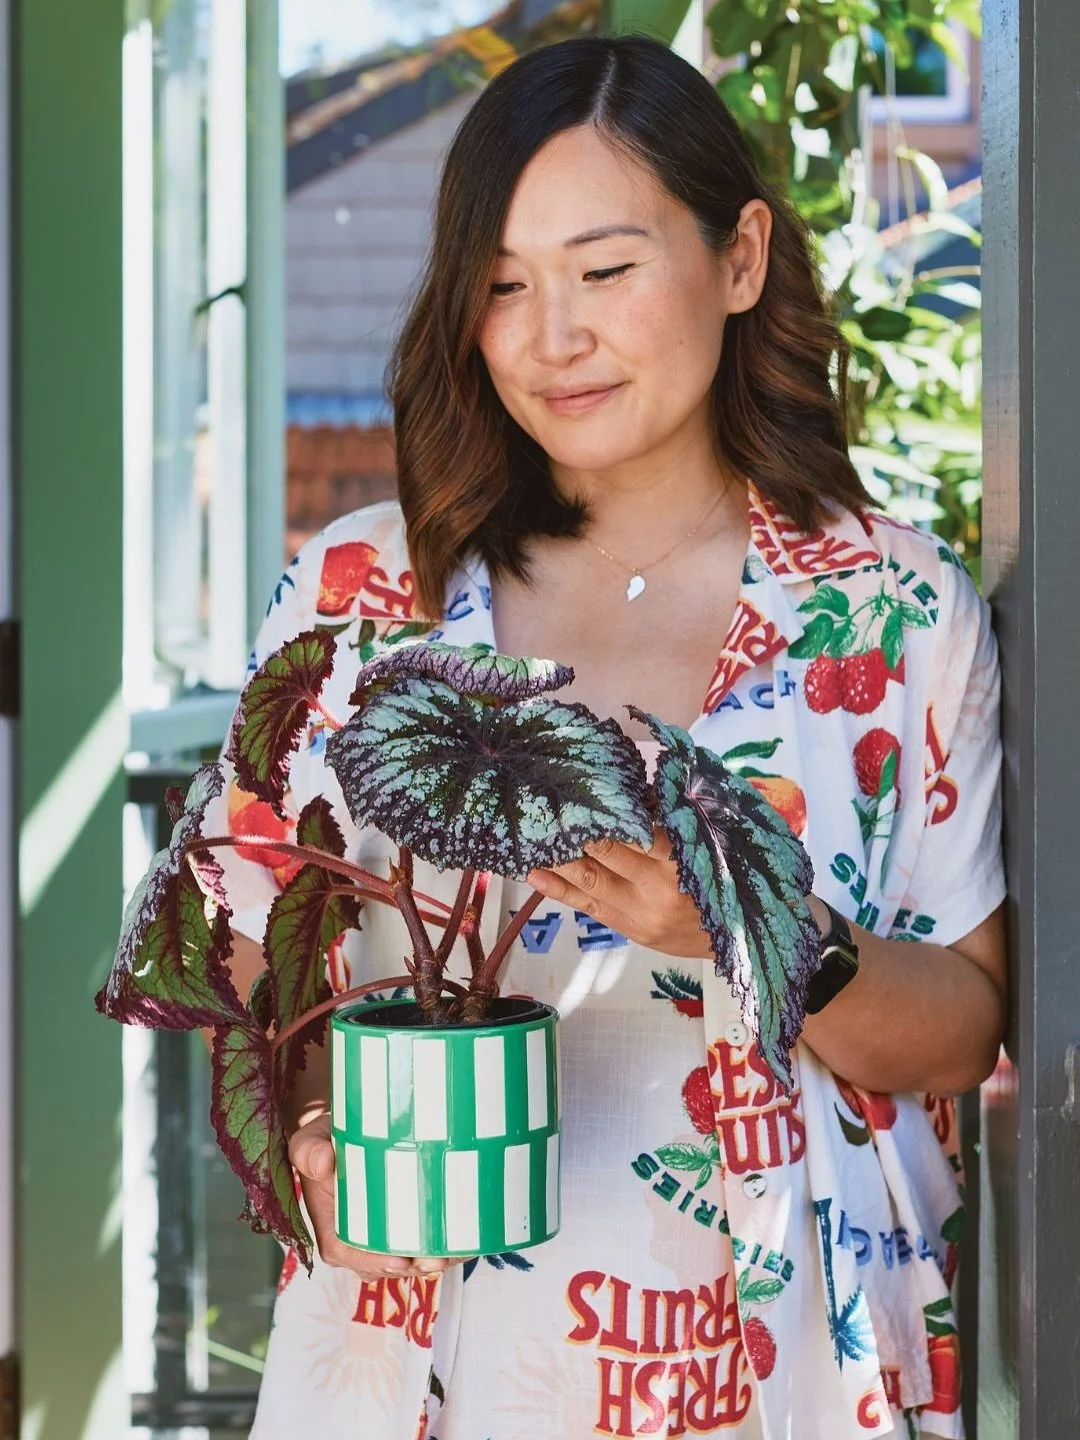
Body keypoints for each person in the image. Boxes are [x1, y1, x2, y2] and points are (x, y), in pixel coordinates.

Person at [209, 33, 1006, 1440]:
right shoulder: (358, 598)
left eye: (606, 269)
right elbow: (243, 940)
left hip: (788, 1377)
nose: (551, 336)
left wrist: (749, 926)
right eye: (503, 284)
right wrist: (314, 1137)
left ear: (741, 259)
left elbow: (958, 1032)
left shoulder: (888, 612)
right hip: (413, 1369)